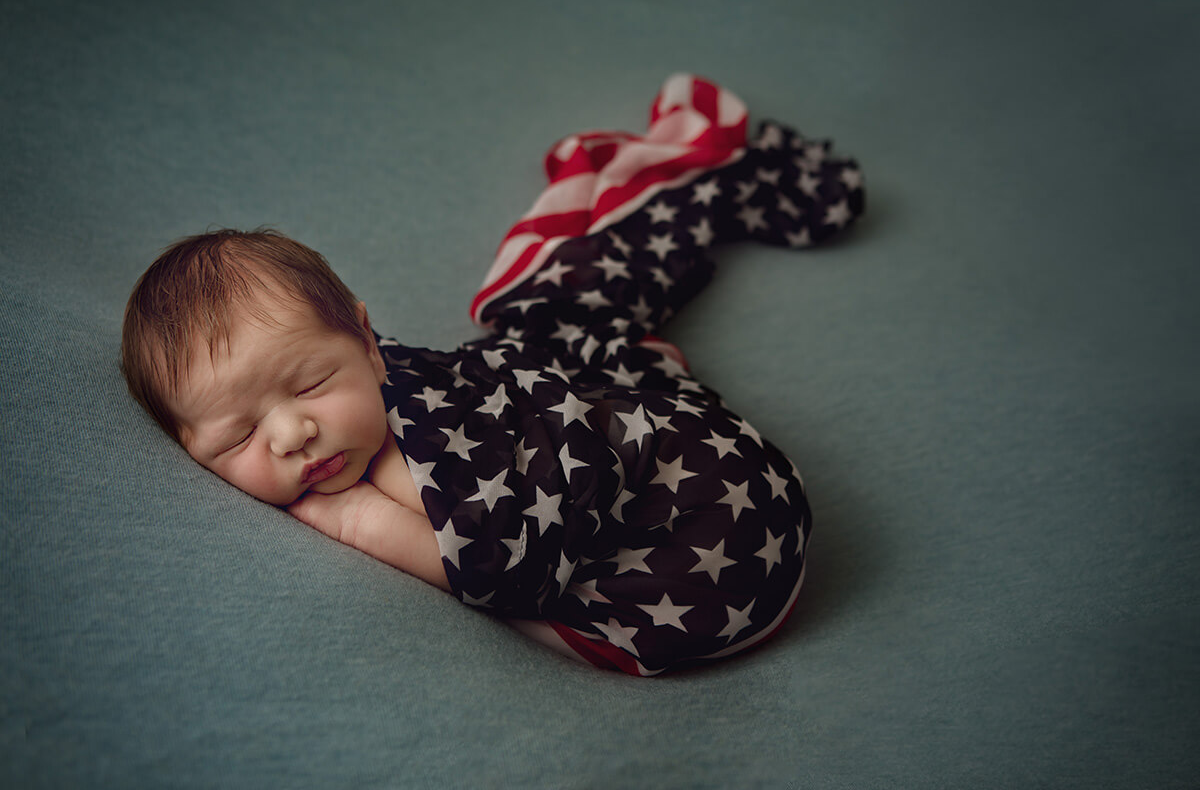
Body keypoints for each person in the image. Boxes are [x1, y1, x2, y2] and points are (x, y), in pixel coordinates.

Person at [121, 76, 864, 675]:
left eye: (312, 384)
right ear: (192, 450)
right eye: (240, 436)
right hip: (728, 480)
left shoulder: (413, 456)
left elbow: (498, 564)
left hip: (716, 560)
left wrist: (357, 521)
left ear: (369, 342)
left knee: (533, 588)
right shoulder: (362, 387)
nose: (292, 434)